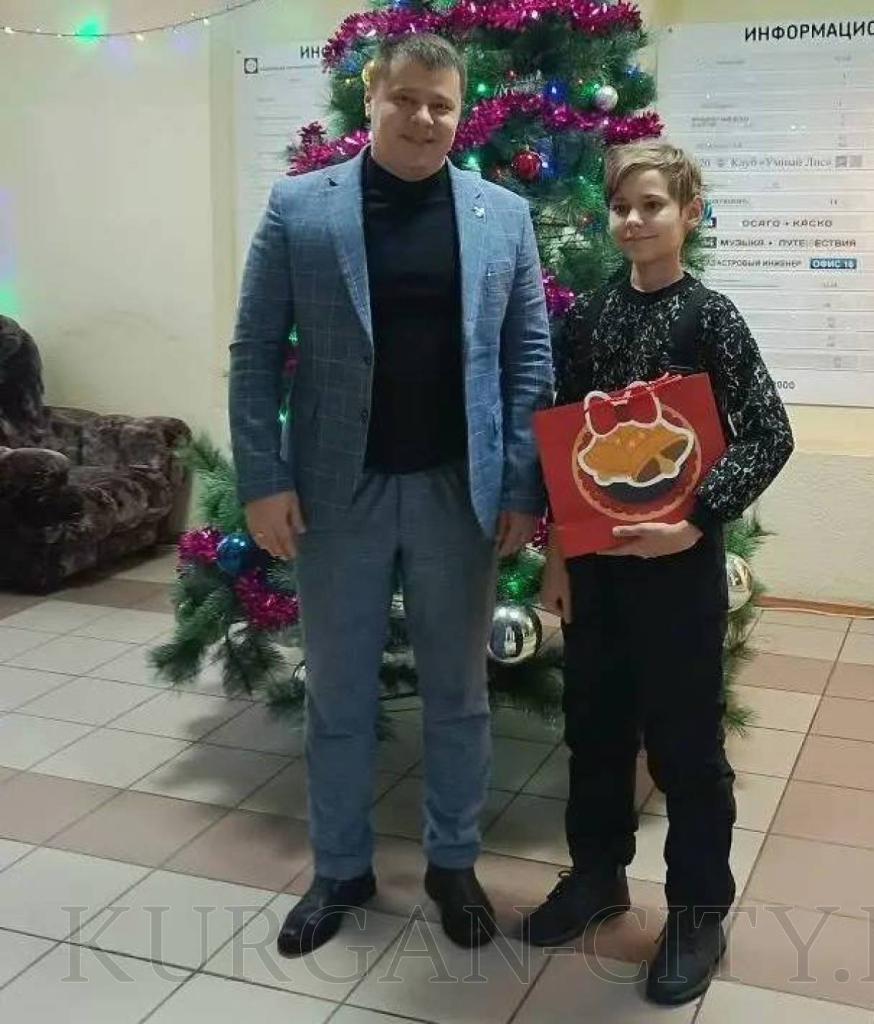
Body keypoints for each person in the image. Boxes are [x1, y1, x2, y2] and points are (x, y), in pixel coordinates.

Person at [228, 32, 553, 956]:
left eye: (440, 104)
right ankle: (340, 868)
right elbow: (255, 351)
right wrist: (263, 479)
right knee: (338, 694)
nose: (422, 118)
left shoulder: (502, 216)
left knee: (458, 695)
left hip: (459, 492)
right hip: (338, 494)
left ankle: (453, 864)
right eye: (405, 98)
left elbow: (528, 356)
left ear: (461, 114)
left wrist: (521, 483)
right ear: (371, 97)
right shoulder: (300, 206)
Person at [530, 141, 793, 1005]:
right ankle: (595, 874)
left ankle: (695, 914)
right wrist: (558, 557)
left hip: (678, 571)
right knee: (594, 727)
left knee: (684, 746)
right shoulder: (586, 318)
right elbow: (562, 443)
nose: (633, 220)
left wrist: (696, 520)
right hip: (596, 569)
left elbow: (768, 433)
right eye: (620, 207)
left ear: (688, 213)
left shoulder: (709, 318)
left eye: (650, 205)